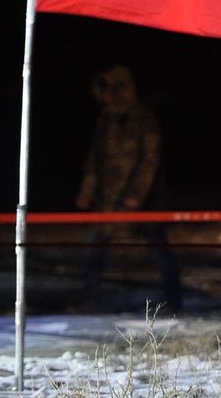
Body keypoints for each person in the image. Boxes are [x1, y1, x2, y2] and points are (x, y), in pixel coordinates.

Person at [75, 65, 183, 312]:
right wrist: (87, 190)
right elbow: (95, 160)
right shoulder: (105, 120)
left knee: (158, 247)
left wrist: (136, 195)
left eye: (110, 90)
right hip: (108, 198)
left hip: (143, 201)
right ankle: (89, 297)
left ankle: (174, 299)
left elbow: (150, 159)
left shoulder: (143, 119)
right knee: (95, 245)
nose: (106, 97)